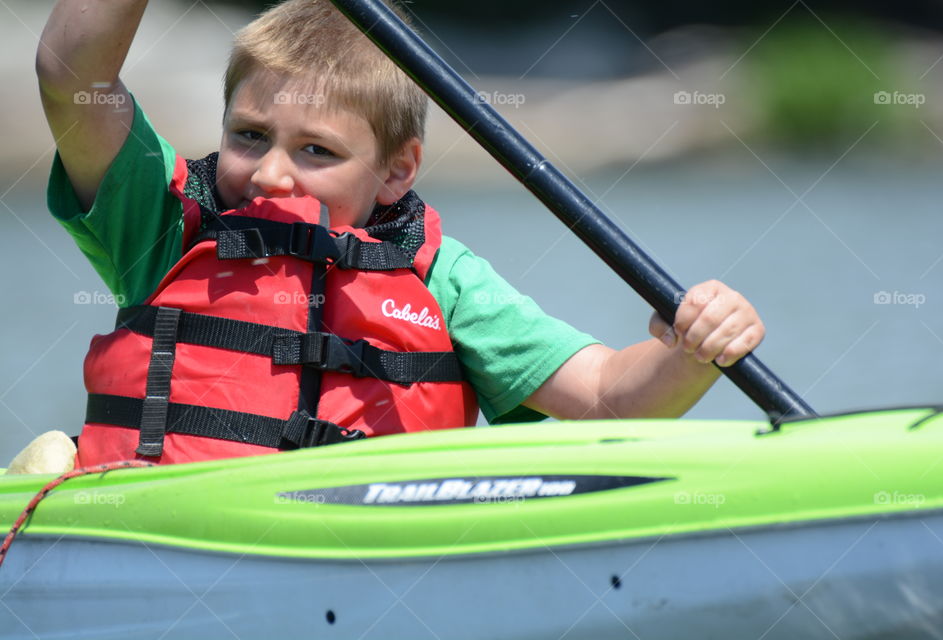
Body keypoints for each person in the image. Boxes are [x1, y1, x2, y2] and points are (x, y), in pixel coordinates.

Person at [32, 0, 765, 468]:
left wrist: (693, 349)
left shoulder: (440, 278)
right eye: (250, 136)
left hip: (358, 550)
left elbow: (609, 396)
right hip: (162, 533)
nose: (272, 176)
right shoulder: (166, 225)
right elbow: (70, 74)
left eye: (317, 150)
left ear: (395, 171)